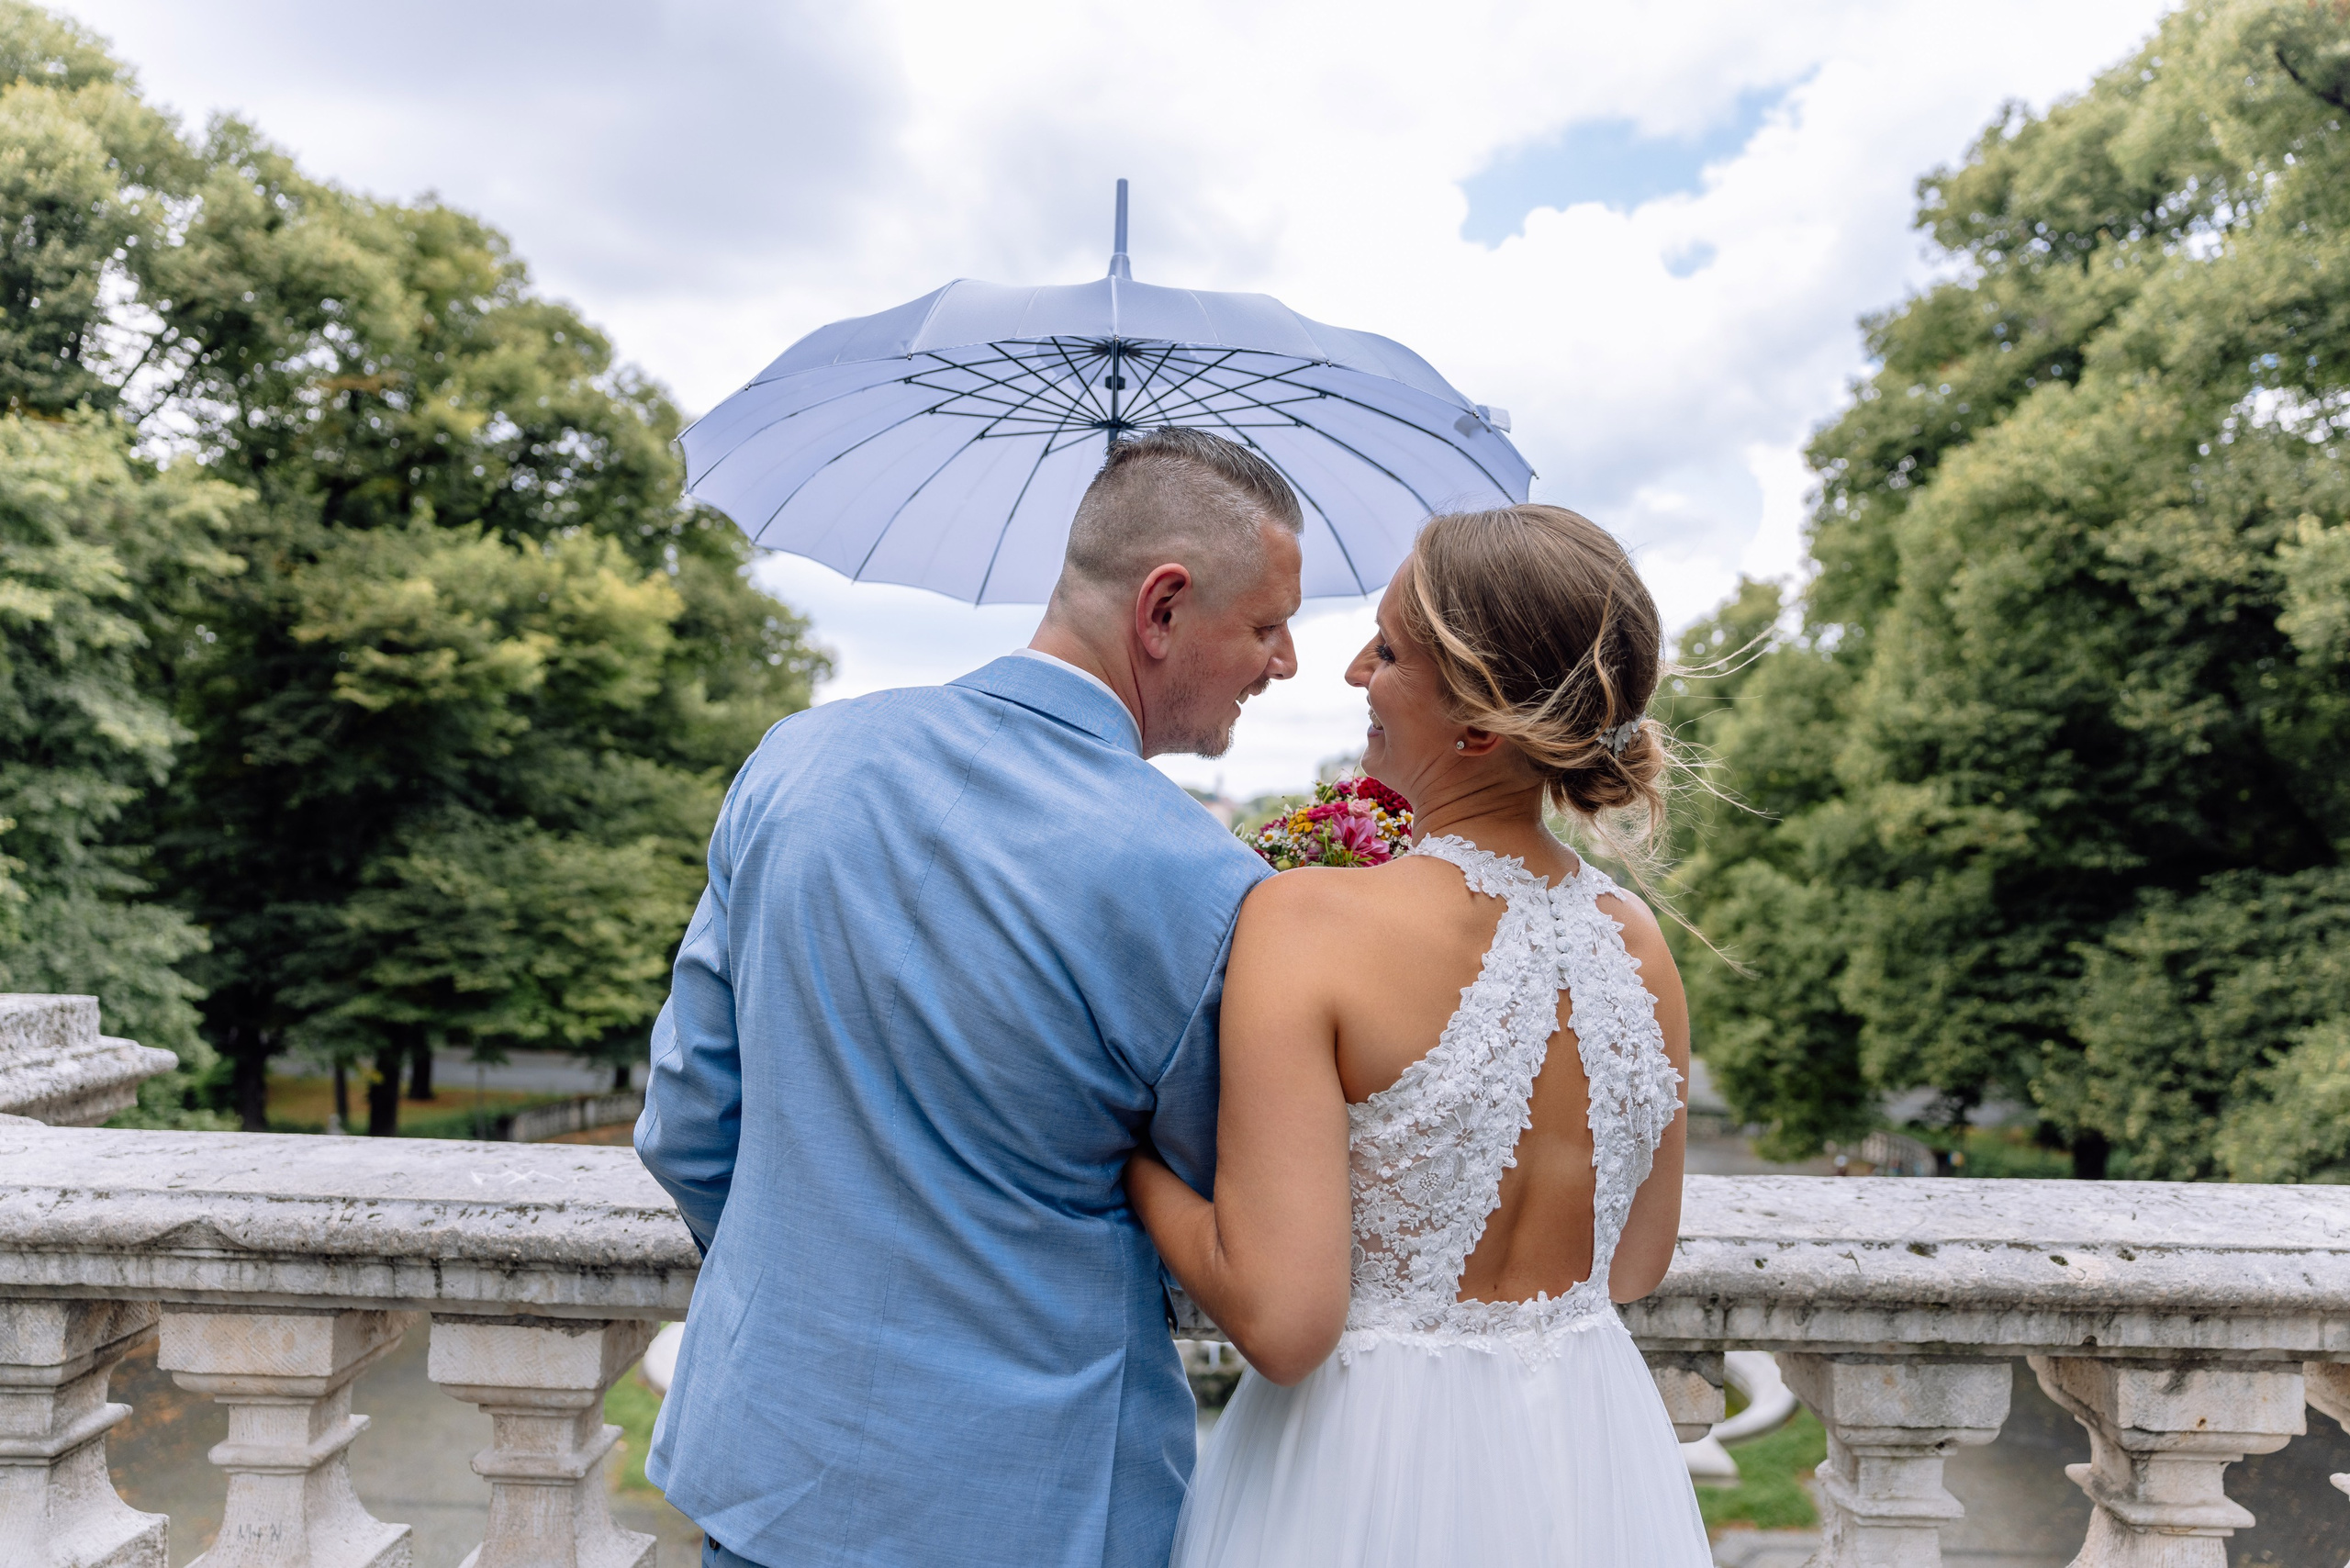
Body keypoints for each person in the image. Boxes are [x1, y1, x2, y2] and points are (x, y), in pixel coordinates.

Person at [635, 426, 1302, 1568]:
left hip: (769, 1476)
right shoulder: (1206, 886)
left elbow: (690, 1121)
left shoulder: (795, 762)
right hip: (1038, 1507)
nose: (1283, 662)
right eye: (1266, 626)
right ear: (1163, 607)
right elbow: (1222, 1208)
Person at [1127, 502, 1713, 1566]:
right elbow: (1633, 1260)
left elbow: (1283, 1319)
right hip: (1588, 1455)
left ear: (1479, 723)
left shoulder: (1306, 921)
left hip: (1360, 1464)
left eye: (1389, 648)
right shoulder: (1639, 946)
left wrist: (1126, 1164)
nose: (1355, 669)